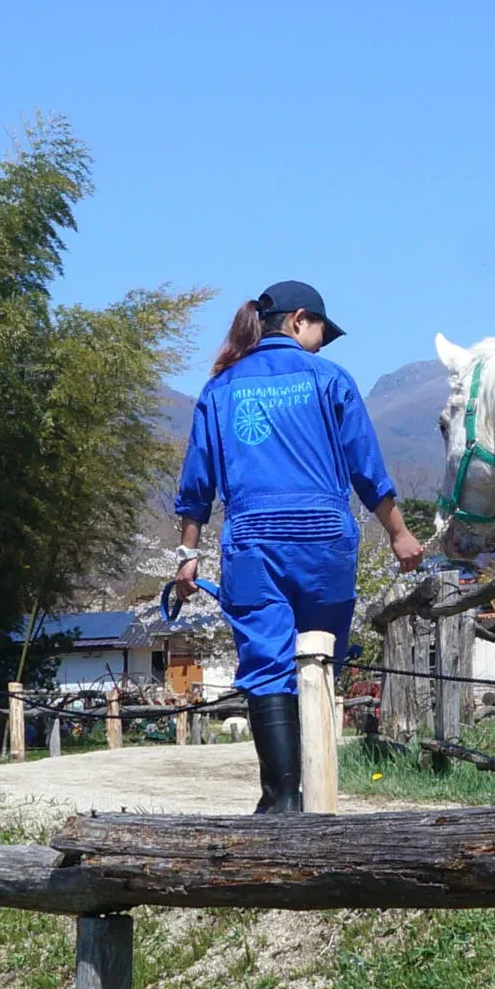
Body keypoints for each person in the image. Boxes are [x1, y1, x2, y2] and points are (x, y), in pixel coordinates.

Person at [171, 280, 425, 811]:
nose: (323, 344)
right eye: (320, 333)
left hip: (255, 542)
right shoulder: (329, 379)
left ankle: (283, 798)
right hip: (324, 541)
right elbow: (366, 469)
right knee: (317, 655)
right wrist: (399, 533)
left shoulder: (220, 389)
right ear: (298, 319)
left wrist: (188, 556)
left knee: (267, 662)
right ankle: (319, 793)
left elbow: (197, 484)